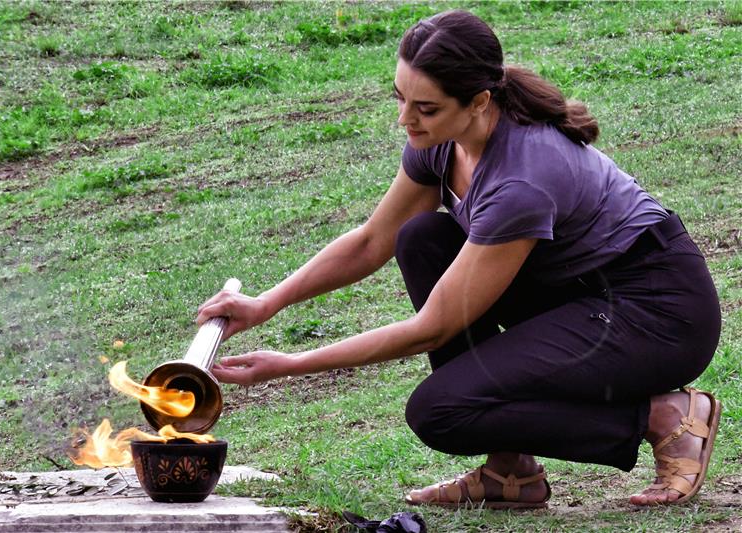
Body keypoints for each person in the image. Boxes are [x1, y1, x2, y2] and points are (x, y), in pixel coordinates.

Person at [196, 10, 722, 508]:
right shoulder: (442, 139)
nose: (407, 120)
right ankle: (509, 471)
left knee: (441, 412)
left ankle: (663, 415)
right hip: (574, 291)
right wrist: (265, 304)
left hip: (653, 315)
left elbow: (432, 329)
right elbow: (373, 240)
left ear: (479, 101)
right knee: (424, 236)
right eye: (401, 99)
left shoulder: (522, 180)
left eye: (426, 109)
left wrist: (293, 366)